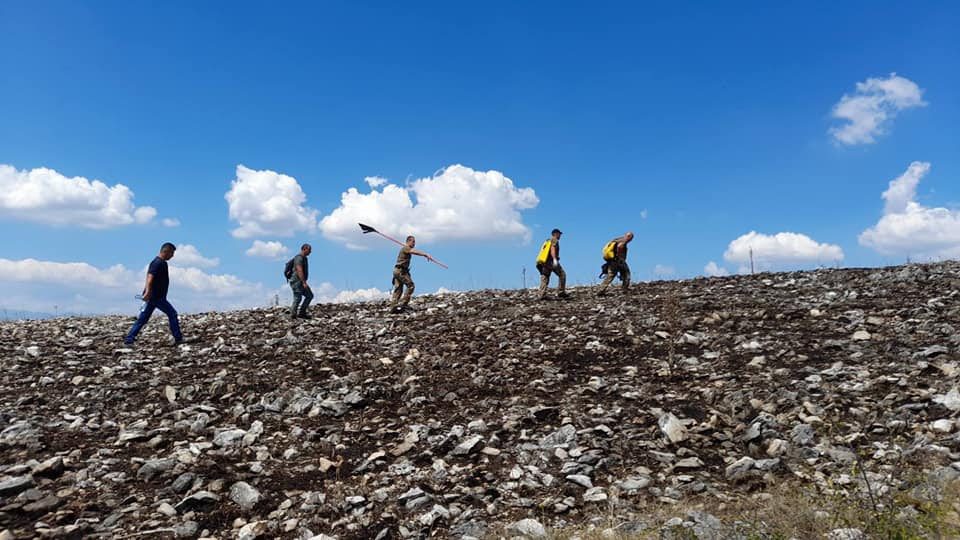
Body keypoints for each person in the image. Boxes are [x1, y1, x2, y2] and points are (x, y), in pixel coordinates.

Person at [124, 242, 183, 345]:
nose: (172, 256)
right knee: (172, 314)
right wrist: (147, 291)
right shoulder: (158, 263)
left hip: (154, 297)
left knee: (143, 319)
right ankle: (178, 338)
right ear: (166, 251)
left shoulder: (161, 263)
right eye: (171, 253)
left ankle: (129, 339)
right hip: (156, 297)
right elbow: (150, 276)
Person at [390, 235, 438, 313]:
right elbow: (414, 251)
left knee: (398, 290)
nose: (414, 243)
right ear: (408, 241)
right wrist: (425, 254)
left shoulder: (406, 248)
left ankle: (393, 308)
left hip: (398, 271)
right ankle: (403, 304)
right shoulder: (406, 248)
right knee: (410, 286)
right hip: (400, 271)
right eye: (413, 241)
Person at [598, 231, 634, 296]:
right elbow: (619, 247)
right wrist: (620, 258)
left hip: (612, 260)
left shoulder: (617, 239)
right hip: (618, 261)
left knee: (611, 275)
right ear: (628, 236)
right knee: (627, 274)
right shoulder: (623, 241)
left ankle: (601, 290)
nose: (631, 240)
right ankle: (624, 289)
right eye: (631, 238)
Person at [537, 228, 568, 300]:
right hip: (551, 262)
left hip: (545, 262)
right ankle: (561, 292)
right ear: (555, 234)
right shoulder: (554, 240)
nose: (560, 235)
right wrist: (554, 259)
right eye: (559, 234)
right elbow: (552, 249)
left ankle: (542, 294)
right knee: (562, 274)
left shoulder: (547, 241)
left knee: (545, 277)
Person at [289, 243, 314, 319]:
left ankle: (302, 313)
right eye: (309, 250)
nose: (310, 252)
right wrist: (304, 282)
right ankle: (293, 315)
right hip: (297, 281)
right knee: (297, 297)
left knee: (309, 295)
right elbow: (299, 269)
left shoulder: (304, 258)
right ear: (304, 249)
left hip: (301, 281)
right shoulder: (299, 258)